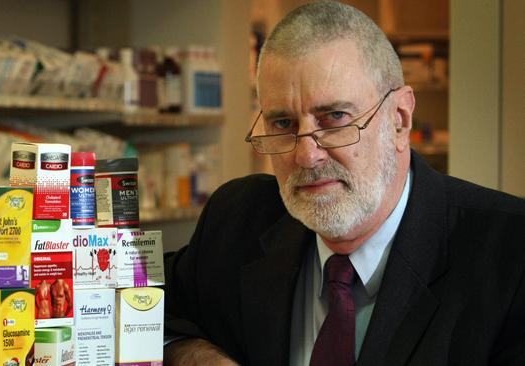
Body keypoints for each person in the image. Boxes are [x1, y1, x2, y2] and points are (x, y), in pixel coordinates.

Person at [163, 1, 525, 365]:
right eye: (284, 124)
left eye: (335, 117)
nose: (306, 155)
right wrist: (194, 355)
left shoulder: (508, 254)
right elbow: (140, 309)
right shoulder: (238, 220)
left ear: (399, 119)